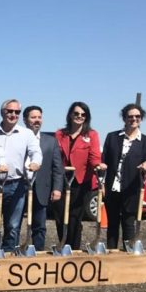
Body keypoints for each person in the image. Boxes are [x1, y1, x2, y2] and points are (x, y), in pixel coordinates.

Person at [0, 99, 42, 253]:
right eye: (9, 111)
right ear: (2, 112)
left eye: (17, 112)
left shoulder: (26, 133)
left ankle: (9, 254)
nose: (13, 114)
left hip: (17, 184)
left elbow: (35, 152)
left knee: (13, 225)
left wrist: (36, 162)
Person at [101, 104, 146, 250]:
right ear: (124, 118)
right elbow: (104, 160)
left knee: (128, 223)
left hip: (132, 189)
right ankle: (112, 253)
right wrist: (101, 184)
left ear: (141, 118)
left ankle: (128, 255)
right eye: (130, 116)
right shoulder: (112, 137)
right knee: (112, 223)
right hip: (112, 187)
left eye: (137, 116)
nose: (134, 119)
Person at [54, 101, 104, 250]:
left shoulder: (91, 135)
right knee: (60, 216)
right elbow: (55, 156)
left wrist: (98, 165)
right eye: (76, 113)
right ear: (70, 115)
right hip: (61, 180)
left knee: (75, 217)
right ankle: (63, 243)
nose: (79, 116)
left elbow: (94, 156)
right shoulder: (60, 134)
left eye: (83, 114)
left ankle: (73, 248)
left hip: (81, 181)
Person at [23, 106, 64, 251]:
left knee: (39, 226)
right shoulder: (18, 137)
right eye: (33, 117)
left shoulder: (50, 141)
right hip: (20, 187)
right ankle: (13, 252)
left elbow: (57, 167)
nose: (37, 120)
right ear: (25, 120)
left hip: (41, 189)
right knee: (13, 225)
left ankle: (37, 253)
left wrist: (57, 188)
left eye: (39, 117)